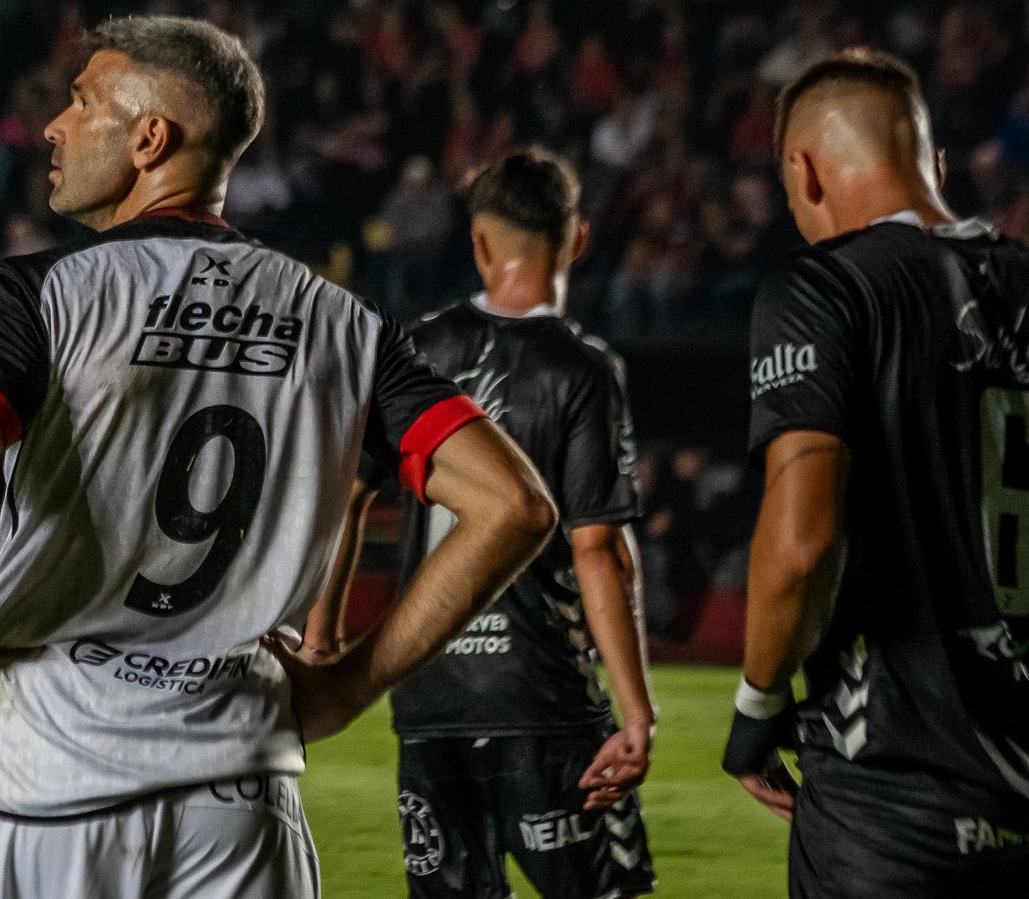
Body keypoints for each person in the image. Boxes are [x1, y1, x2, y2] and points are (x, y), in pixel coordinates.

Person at [0, 15, 557, 898]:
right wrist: (349, 687)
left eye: (82, 101)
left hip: (45, 780)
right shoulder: (343, 321)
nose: (54, 125)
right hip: (242, 801)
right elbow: (515, 506)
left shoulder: (39, 292)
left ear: (149, 138)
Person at [307, 149, 657, 899]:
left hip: (427, 690)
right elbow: (599, 549)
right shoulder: (583, 369)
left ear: (479, 242)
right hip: (543, 696)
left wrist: (321, 636)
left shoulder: (416, 351)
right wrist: (637, 713)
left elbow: (344, 494)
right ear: (578, 239)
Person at [722, 48, 1029, 896]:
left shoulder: (825, 288)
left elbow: (802, 541)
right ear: (935, 165)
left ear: (804, 171)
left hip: (893, 805)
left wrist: (757, 708)